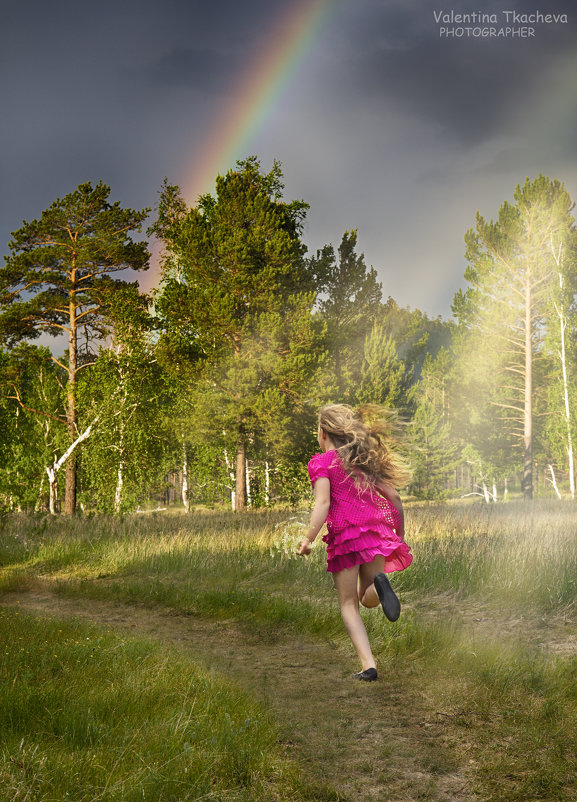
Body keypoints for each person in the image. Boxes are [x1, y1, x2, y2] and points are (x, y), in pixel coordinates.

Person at [298, 403, 412, 681]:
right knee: (368, 597)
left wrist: (307, 539)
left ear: (323, 432)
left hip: (345, 537)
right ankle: (380, 585)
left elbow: (323, 503)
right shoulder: (361, 461)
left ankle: (368, 666)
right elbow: (394, 498)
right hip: (374, 533)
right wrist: (399, 534)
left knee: (349, 604)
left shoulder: (321, 462)